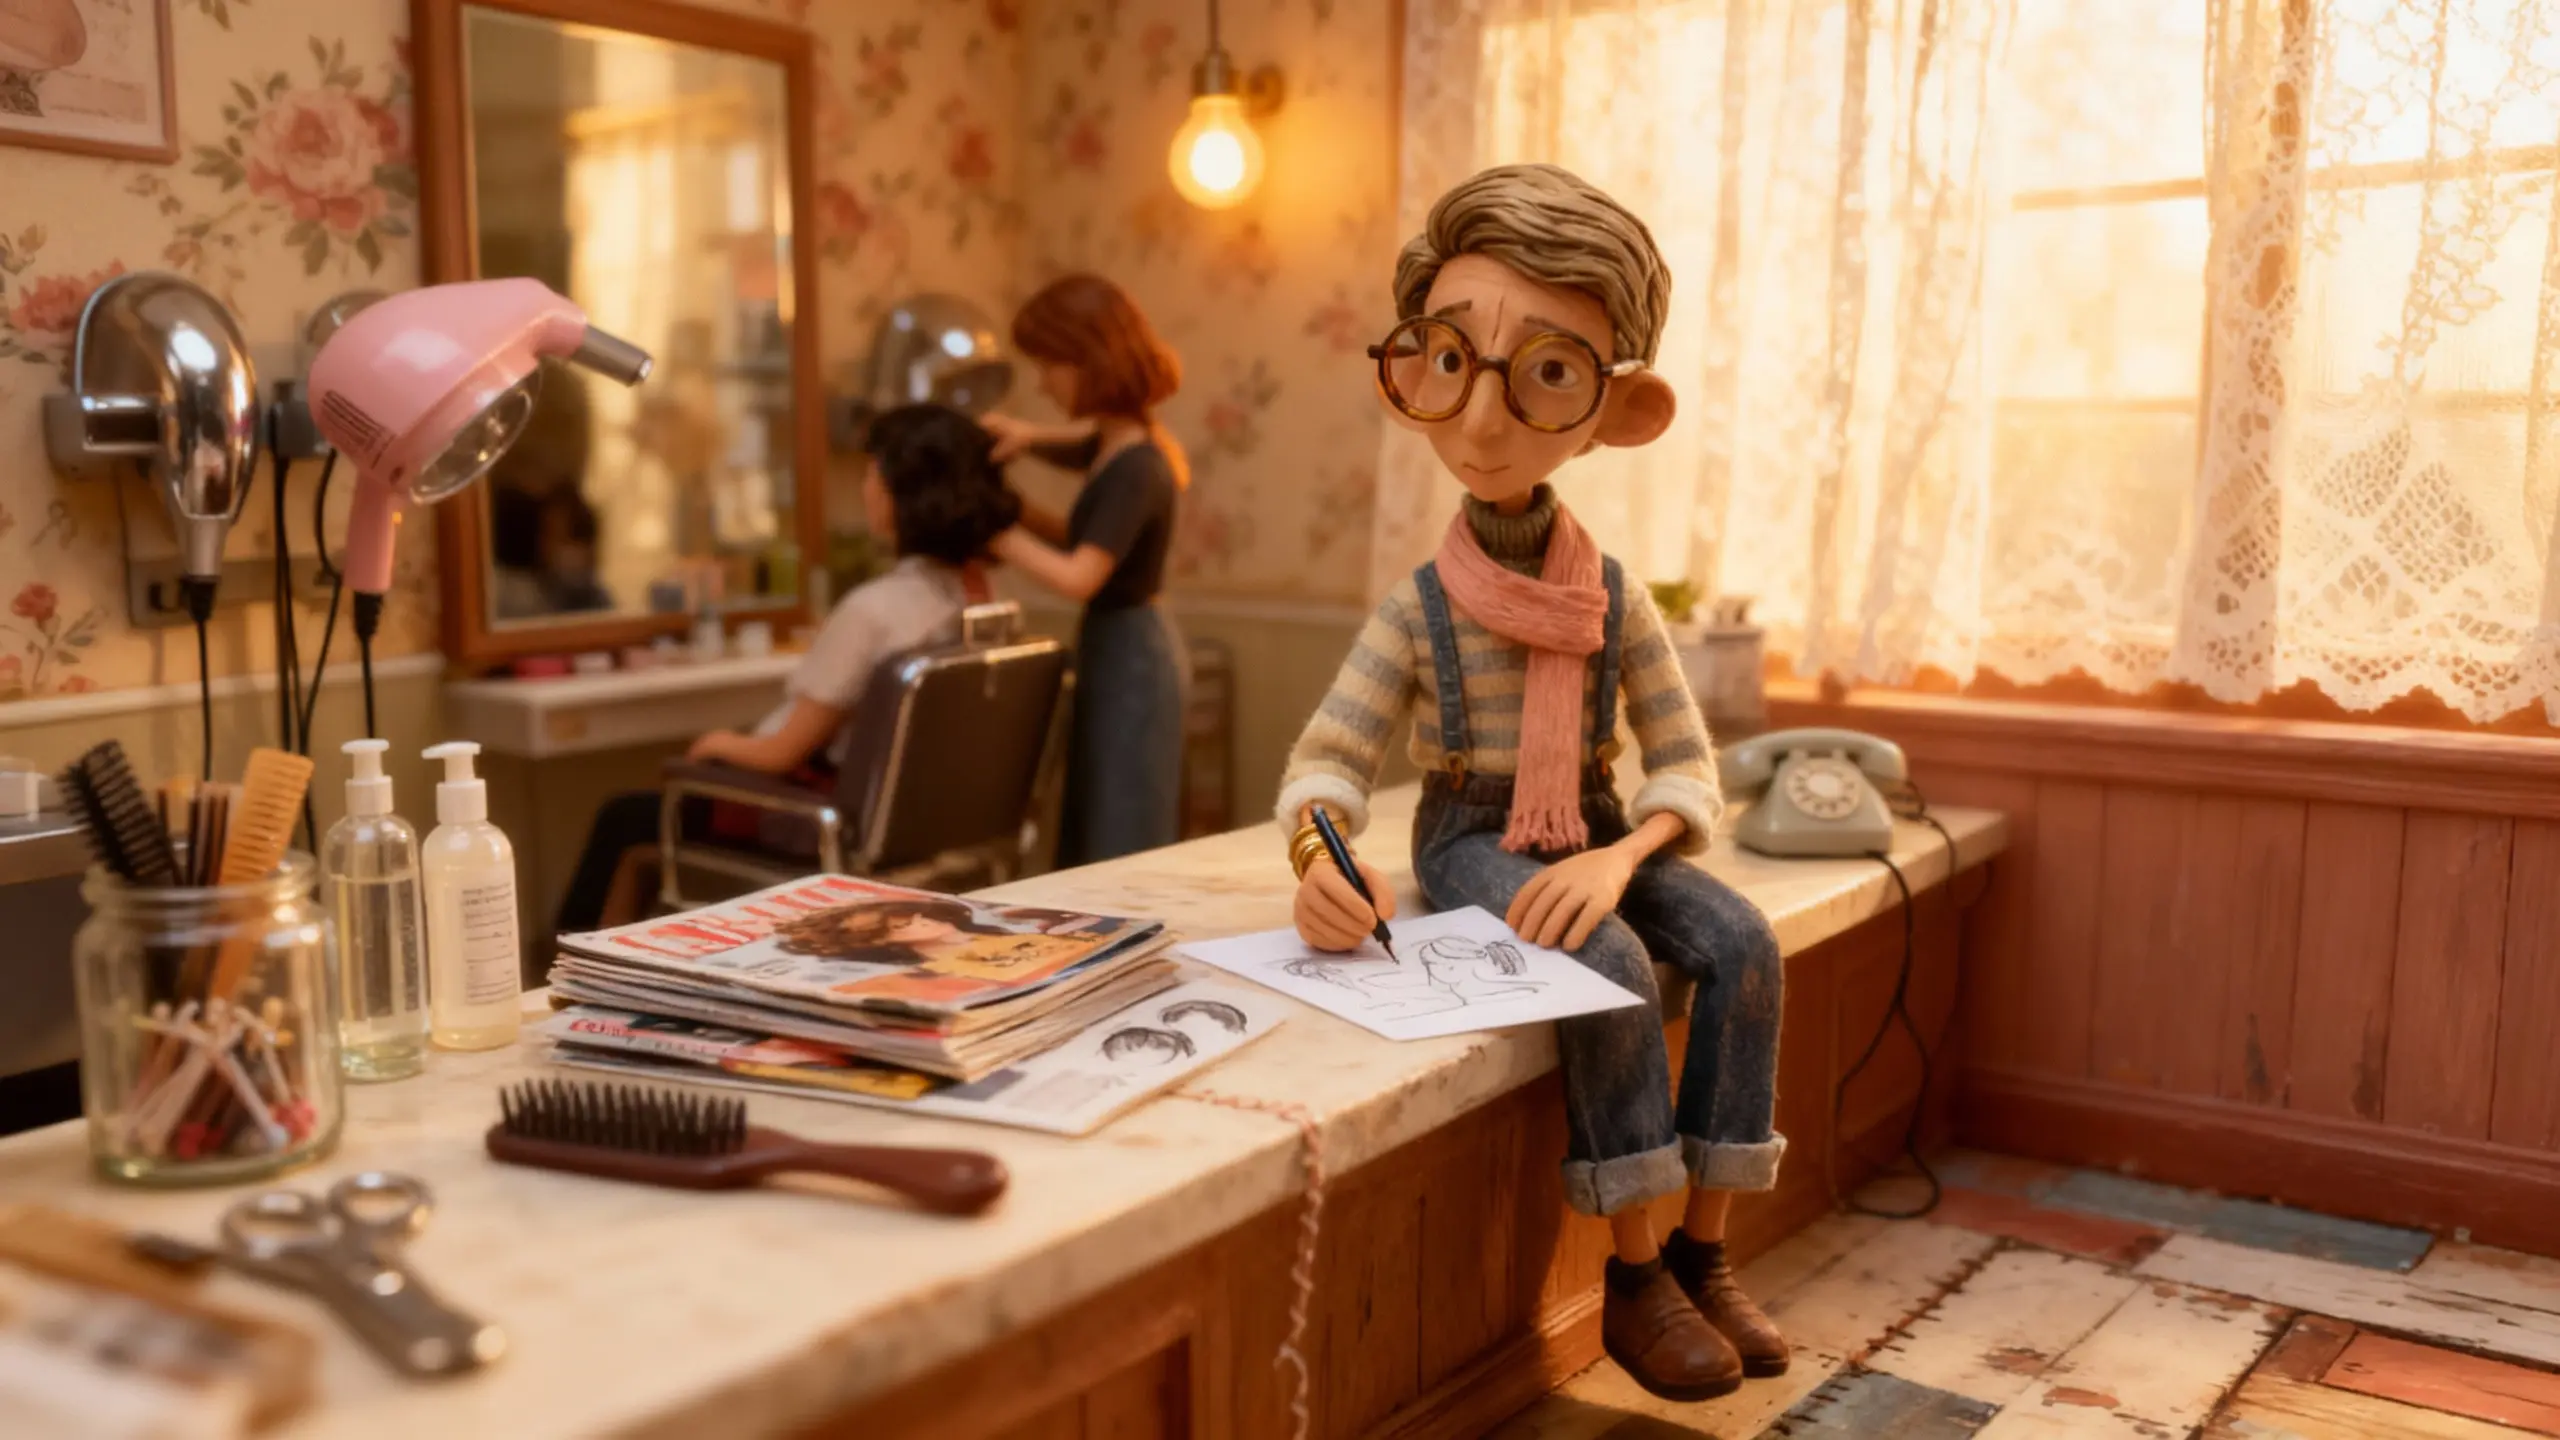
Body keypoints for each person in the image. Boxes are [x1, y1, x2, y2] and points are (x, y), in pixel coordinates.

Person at [1274, 164, 1789, 1402]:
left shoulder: (1611, 596)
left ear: (1620, 409)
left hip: (1599, 829)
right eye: (1450, 361)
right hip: (1468, 835)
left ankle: (1704, 1253)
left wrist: (1620, 854)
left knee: (1743, 942)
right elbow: (1327, 759)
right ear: (1412, 369)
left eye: (1547, 372)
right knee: (1602, 962)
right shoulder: (1419, 609)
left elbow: (1684, 763)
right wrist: (1318, 859)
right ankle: (1632, 1274)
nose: (1485, 418)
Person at [554, 405, 1019, 935]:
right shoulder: (979, 599)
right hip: (923, 831)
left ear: (902, 493)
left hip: (817, 822)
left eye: (873, 473)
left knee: (625, 817)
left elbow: (780, 753)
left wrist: (714, 744)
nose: (866, 486)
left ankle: (567, 959)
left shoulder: (874, 610)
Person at [977, 275, 1190, 868]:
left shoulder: (1136, 468)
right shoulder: (1118, 446)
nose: (1043, 383)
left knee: (1121, 824)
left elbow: (1079, 576)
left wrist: (994, 532)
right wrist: (1023, 452)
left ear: (1087, 361)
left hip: (1132, 660)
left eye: (1050, 366)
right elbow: (1079, 478)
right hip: (1117, 648)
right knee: (1101, 810)